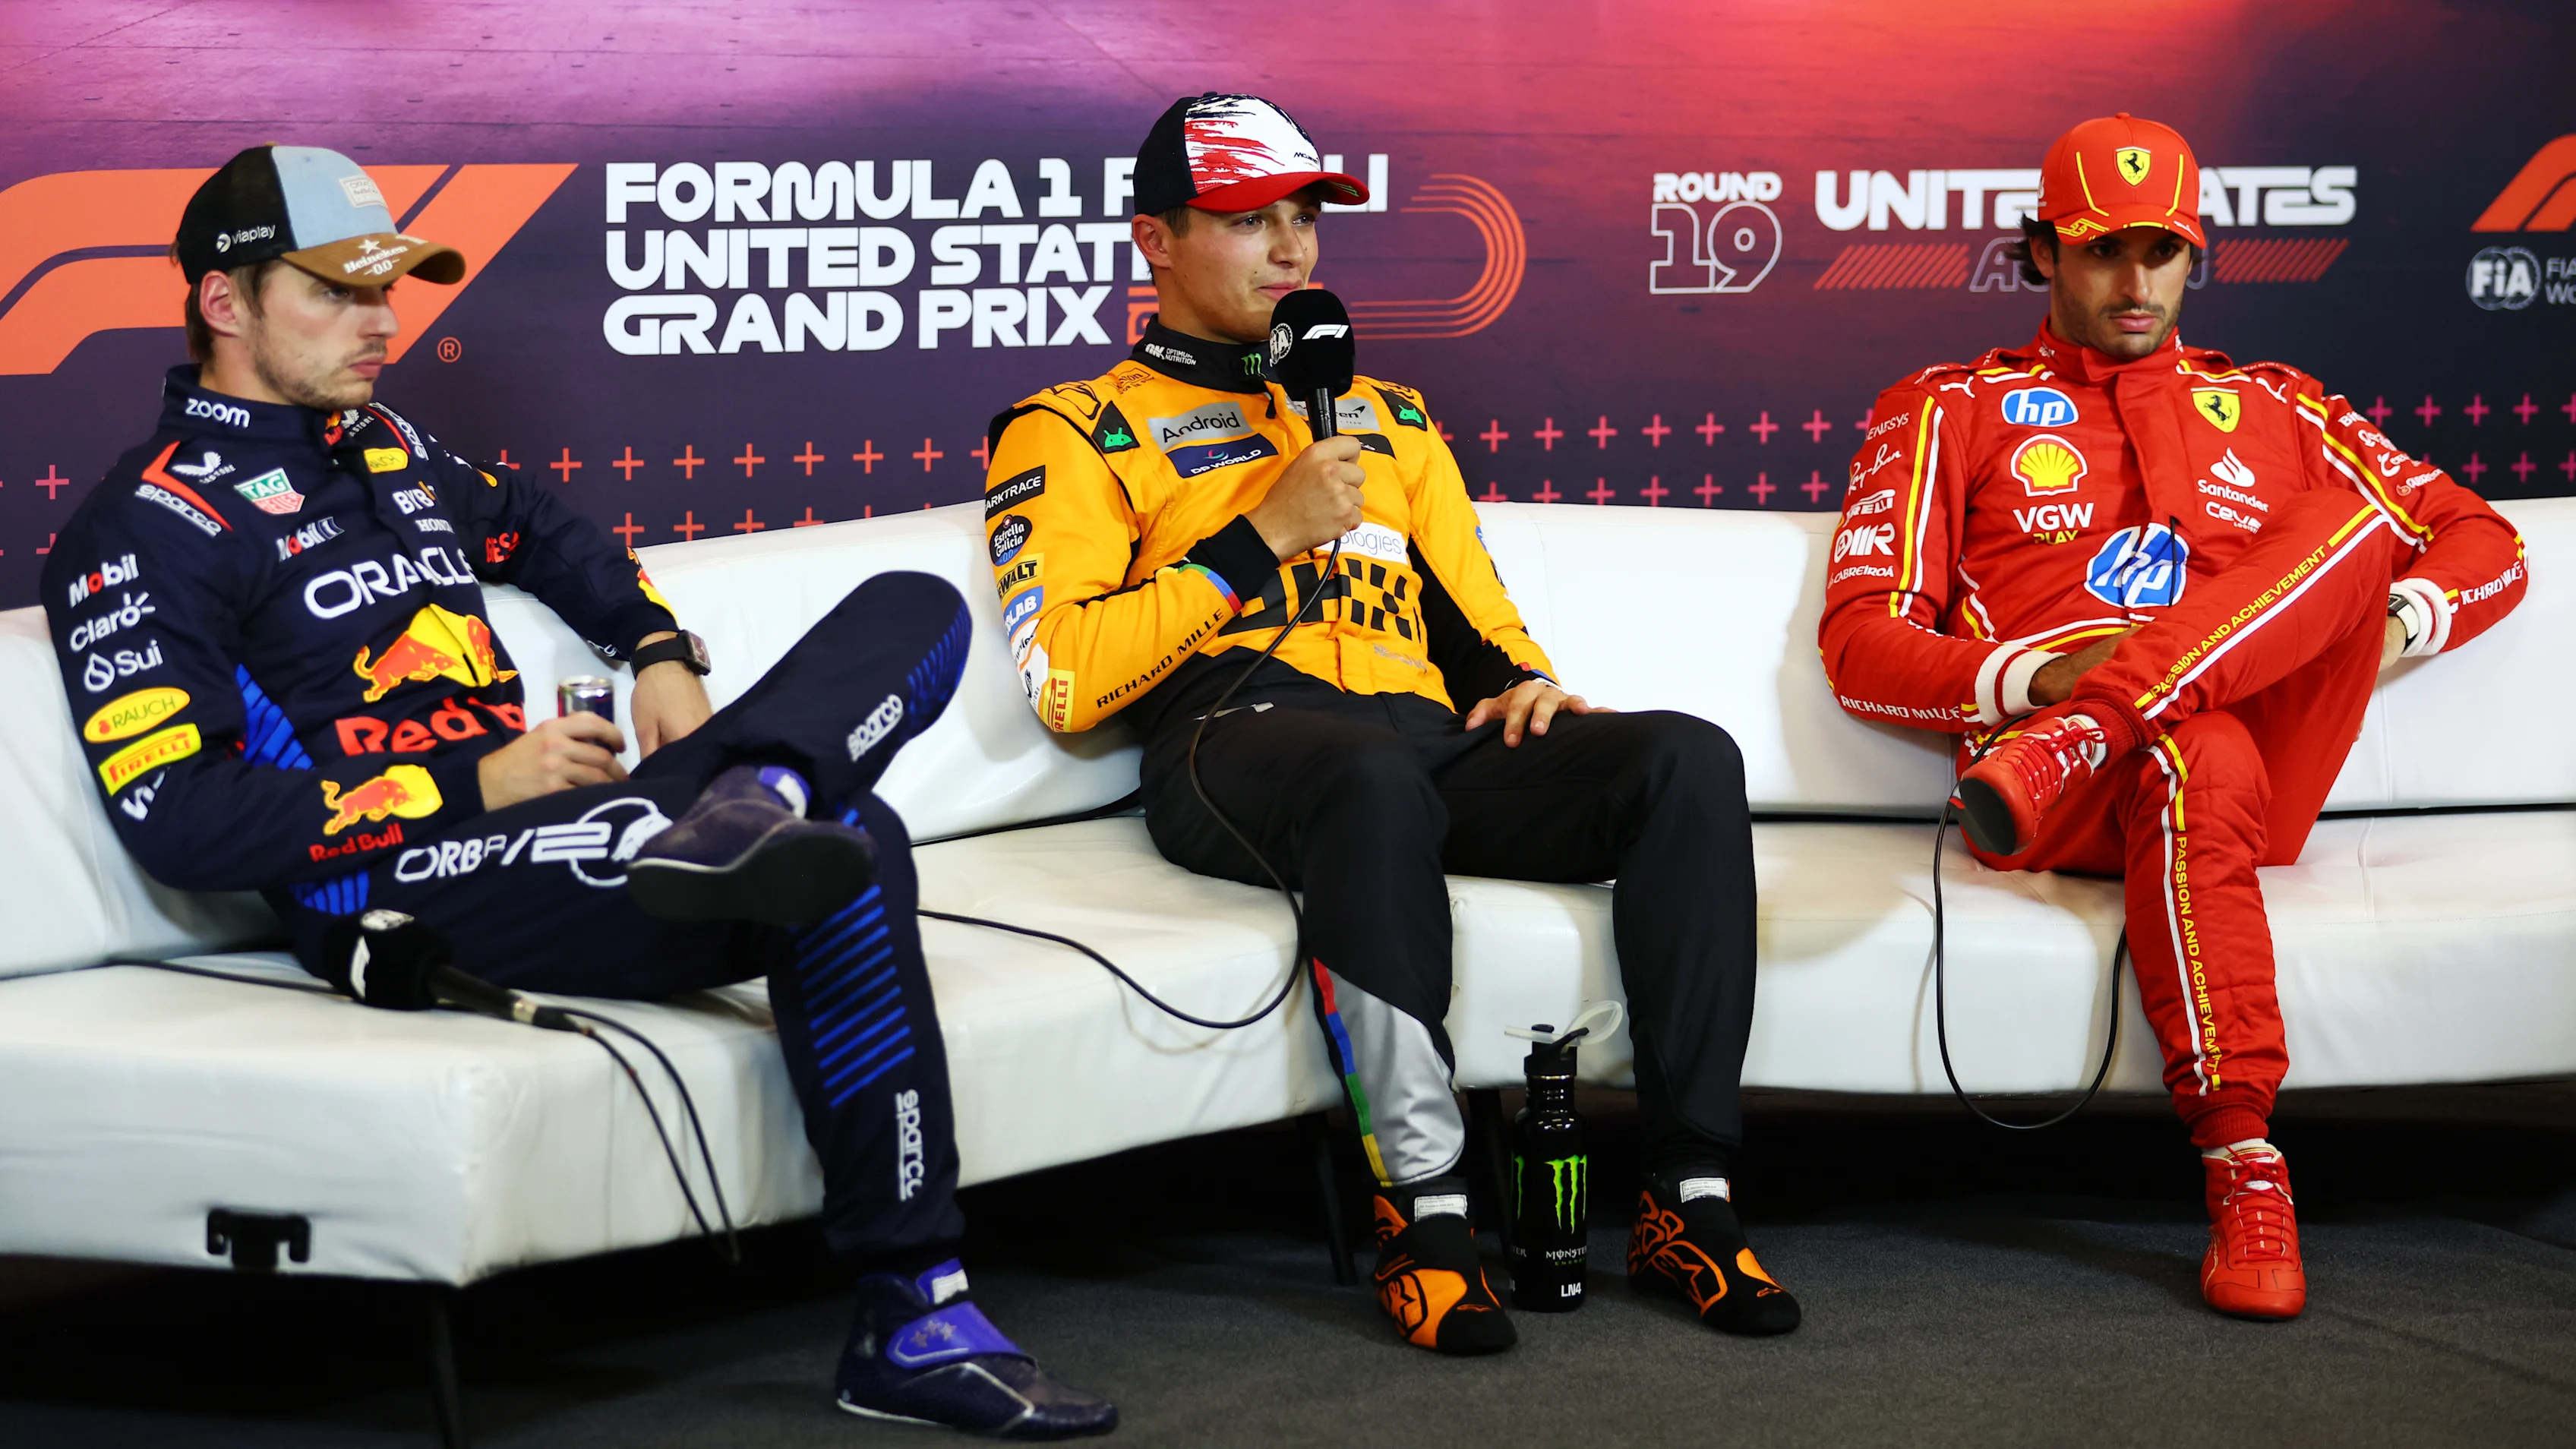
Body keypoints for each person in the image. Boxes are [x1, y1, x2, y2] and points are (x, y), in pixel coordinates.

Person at [43, 144, 1114, 1439]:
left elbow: (545, 532)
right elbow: (182, 817)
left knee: (918, 608)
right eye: (335, 291)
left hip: (577, 828)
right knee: (857, 838)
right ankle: (915, 1311)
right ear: (226, 303)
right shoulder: (142, 527)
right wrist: (466, 779)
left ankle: (756, 790)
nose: (384, 320)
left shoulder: (387, 447)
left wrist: (654, 649)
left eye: (388, 288)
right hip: (387, 890)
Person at [982, 93, 1800, 1353]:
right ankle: (1423, 1214)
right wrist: (1260, 537)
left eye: (1304, 216)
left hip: (1416, 736)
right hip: (1234, 740)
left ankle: (1690, 1193)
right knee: (1366, 774)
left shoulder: (1392, 418)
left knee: (1683, 756)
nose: (1292, 248)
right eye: (1250, 219)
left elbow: (1479, 621)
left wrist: (1531, 683)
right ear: (1154, 237)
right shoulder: (1075, 429)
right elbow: (1066, 677)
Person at [1820, 114, 2528, 1321]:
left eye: (2165, 250)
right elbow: (1861, 647)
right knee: (2194, 746)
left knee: (2353, 527)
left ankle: (2107, 717)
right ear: (2040, 253)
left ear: (2197, 257)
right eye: (2103, 250)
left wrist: (2378, 629)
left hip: (2227, 751)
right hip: (2058, 778)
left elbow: (2488, 543)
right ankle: (2244, 1164)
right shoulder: (1950, 406)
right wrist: (2034, 682)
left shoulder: (2276, 403)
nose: (2137, 282)